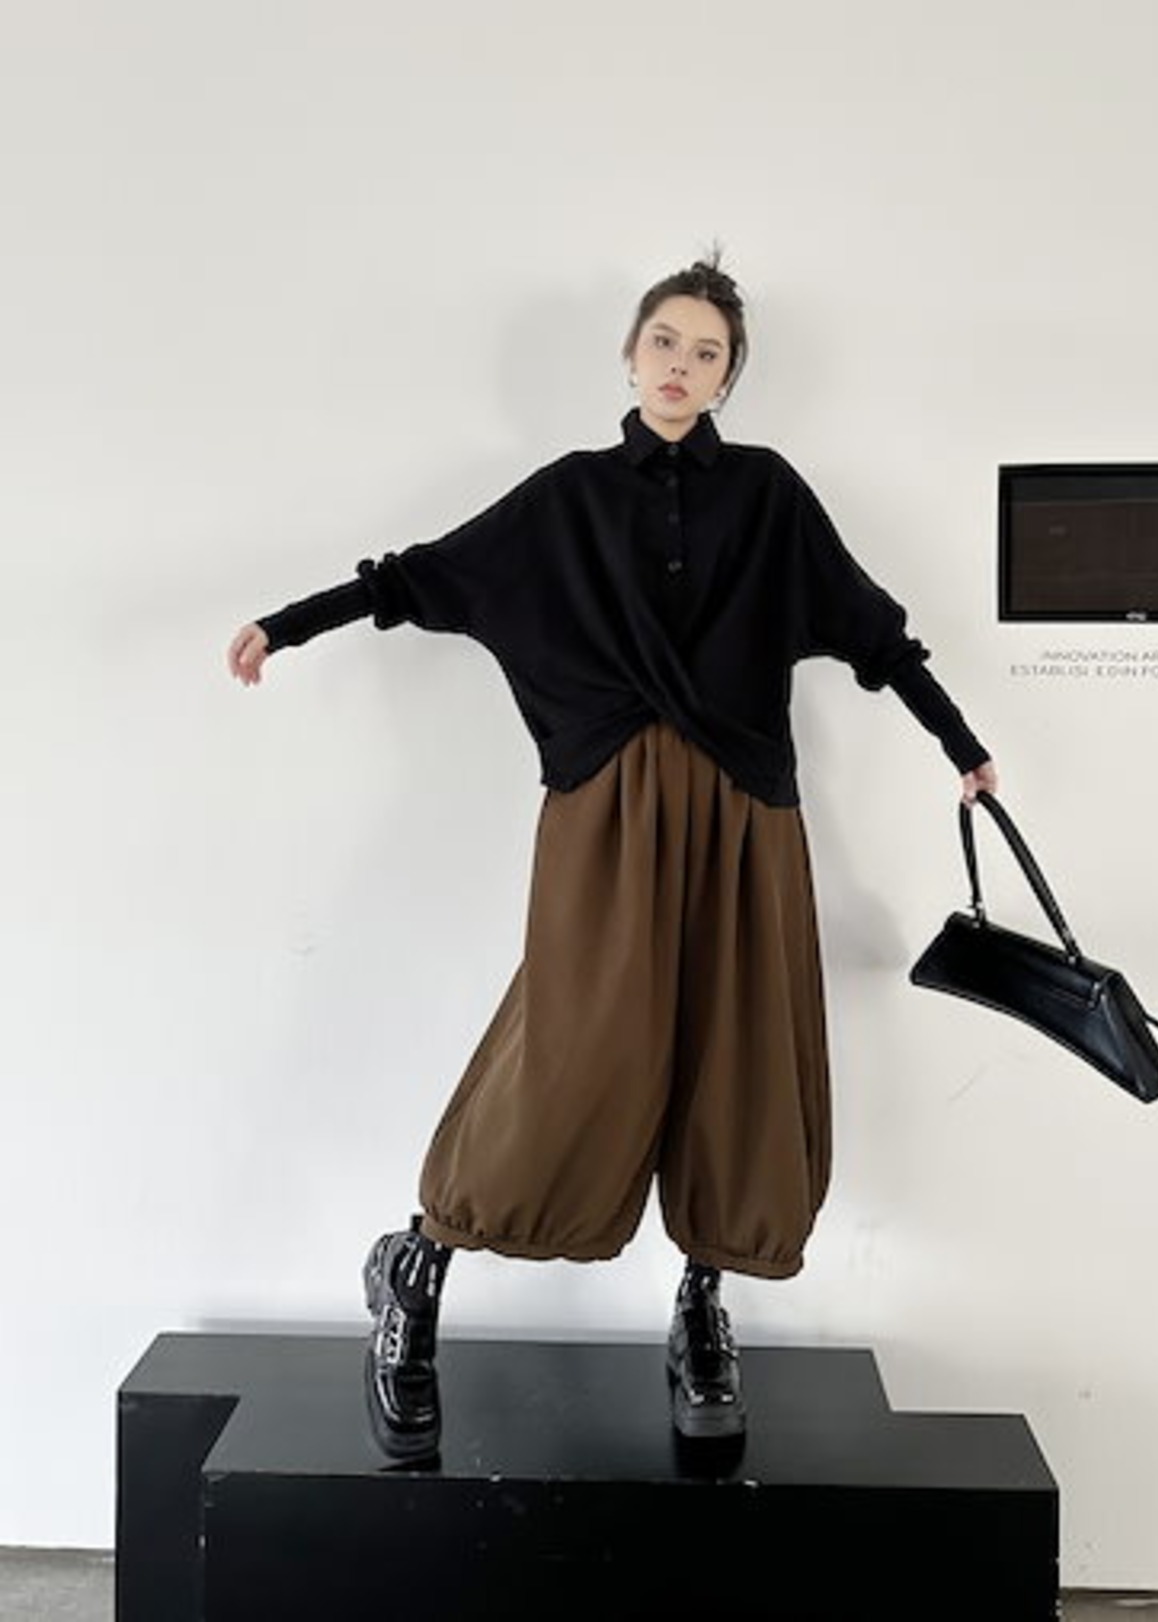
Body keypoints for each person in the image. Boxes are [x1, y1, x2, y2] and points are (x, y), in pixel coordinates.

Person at [227, 251, 998, 1459]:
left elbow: (871, 630)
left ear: (728, 376)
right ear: (630, 354)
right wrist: (285, 624)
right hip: (605, 805)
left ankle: (700, 1307)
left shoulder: (769, 495)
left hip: (745, 810)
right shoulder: (568, 496)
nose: (681, 365)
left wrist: (961, 746)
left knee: (736, 1054)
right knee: (577, 1046)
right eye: (664, 341)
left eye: (707, 351)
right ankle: (417, 1260)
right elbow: (425, 576)